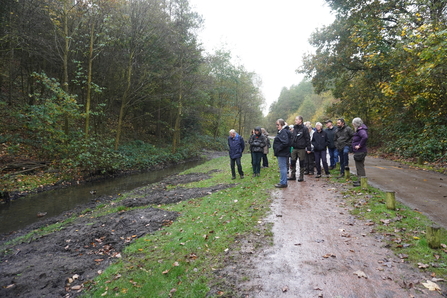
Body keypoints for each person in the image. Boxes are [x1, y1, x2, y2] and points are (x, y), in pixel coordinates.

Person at [288, 115, 311, 182]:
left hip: (301, 148)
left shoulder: (304, 128)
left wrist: (308, 148)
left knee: (302, 162)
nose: (295, 121)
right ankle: (293, 175)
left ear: (300, 120)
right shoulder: (294, 128)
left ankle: (301, 176)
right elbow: (293, 137)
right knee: (292, 161)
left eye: (296, 120)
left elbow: (307, 139)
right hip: (294, 147)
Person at [273, 119, 290, 188]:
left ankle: (283, 182)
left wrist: (278, 148)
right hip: (281, 153)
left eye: (278, 125)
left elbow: (285, 142)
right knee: (283, 167)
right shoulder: (281, 131)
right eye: (276, 125)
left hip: (282, 153)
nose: (277, 126)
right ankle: (283, 181)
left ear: (282, 125)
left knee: (283, 167)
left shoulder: (283, 132)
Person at [351, 117, 368, 184]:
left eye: (353, 123)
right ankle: (359, 180)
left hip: (360, 151)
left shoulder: (361, 130)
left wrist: (359, 145)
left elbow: (365, 137)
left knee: (360, 166)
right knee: (359, 166)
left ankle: (362, 181)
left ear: (356, 123)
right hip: (359, 151)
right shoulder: (359, 129)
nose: (353, 124)